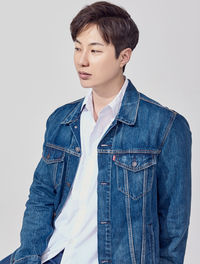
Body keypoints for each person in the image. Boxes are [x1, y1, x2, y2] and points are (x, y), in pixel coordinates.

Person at [0, 1, 192, 264]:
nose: (82, 60)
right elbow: (40, 197)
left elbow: (173, 227)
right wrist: (28, 256)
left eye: (95, 50)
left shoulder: (166, 127)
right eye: (78, 48)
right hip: (49, 256)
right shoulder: (61, 121)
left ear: (124, 56)